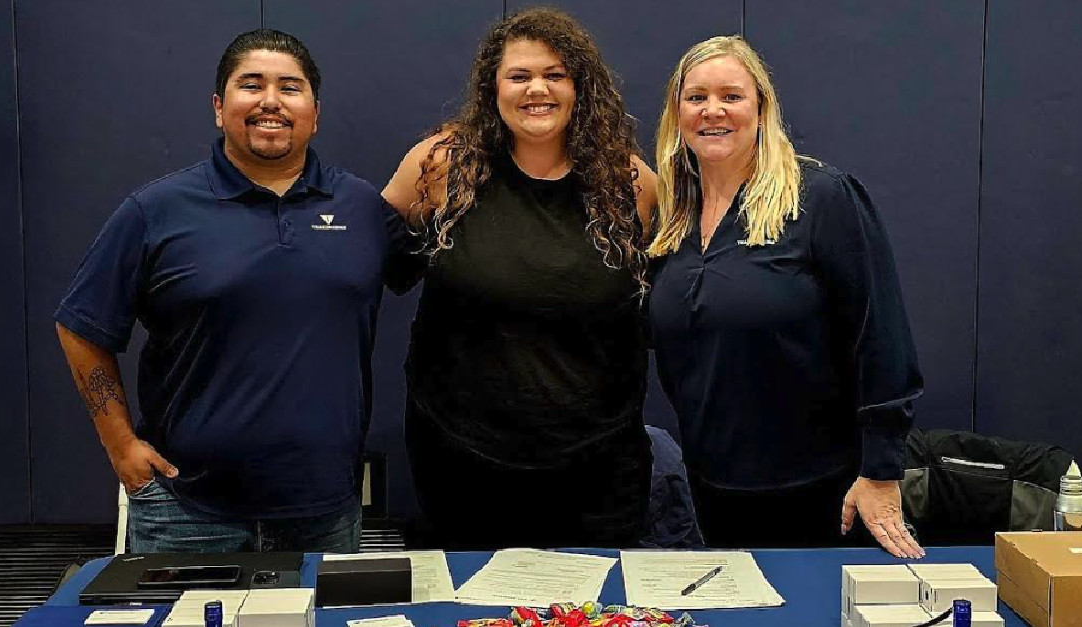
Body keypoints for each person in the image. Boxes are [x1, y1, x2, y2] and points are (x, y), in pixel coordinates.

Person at [55, 29, 412, 553]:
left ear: (315, 111)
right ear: (220, 108)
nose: (271, 101)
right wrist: (121, 446)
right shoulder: (157, 210)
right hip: (185, 512)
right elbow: (80, 326)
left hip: (327, 513)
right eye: (252, 85)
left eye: (290, 87)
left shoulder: (362, 207)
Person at [382, 8, 658, 550]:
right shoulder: (442, 167)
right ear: (493, 87)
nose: (538, 89)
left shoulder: (629, 181)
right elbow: (368, 264)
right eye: (520, 76)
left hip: (599, 466)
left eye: (556, 75)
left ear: (581, 87)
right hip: (461, 459)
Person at [647, 36, 926, 558]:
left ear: (761, 107)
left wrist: (882, 474)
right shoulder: (671, 219)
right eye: (696, 97)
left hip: (823, 492)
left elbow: (881, 336)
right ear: (676, 112)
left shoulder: (821, 197)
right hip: (713, 489)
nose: (713, 111)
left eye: (731, 96)